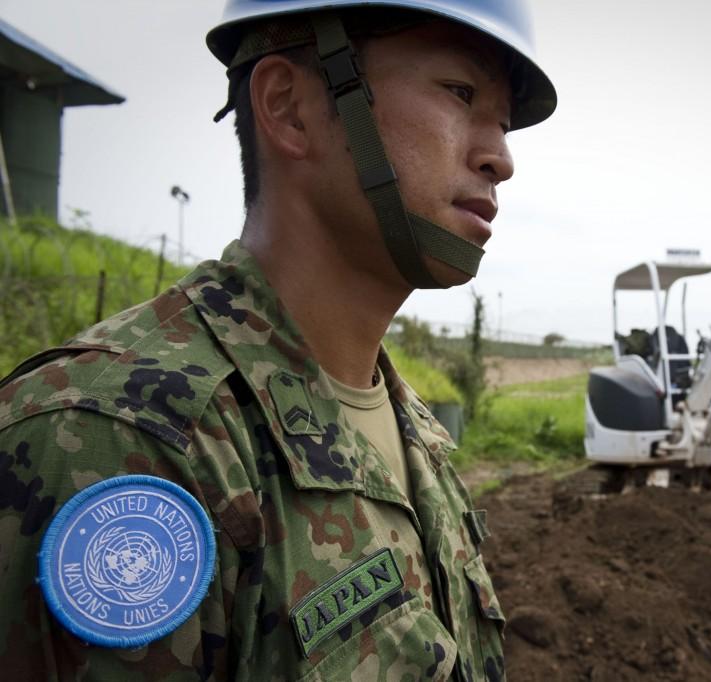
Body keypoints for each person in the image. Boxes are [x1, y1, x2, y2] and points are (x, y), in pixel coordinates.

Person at [0, 1, 556, 679]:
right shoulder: (119, 440)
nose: (500, 158)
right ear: (289, 108)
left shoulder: (418, 440)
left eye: (502, 123)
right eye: (460, 93)